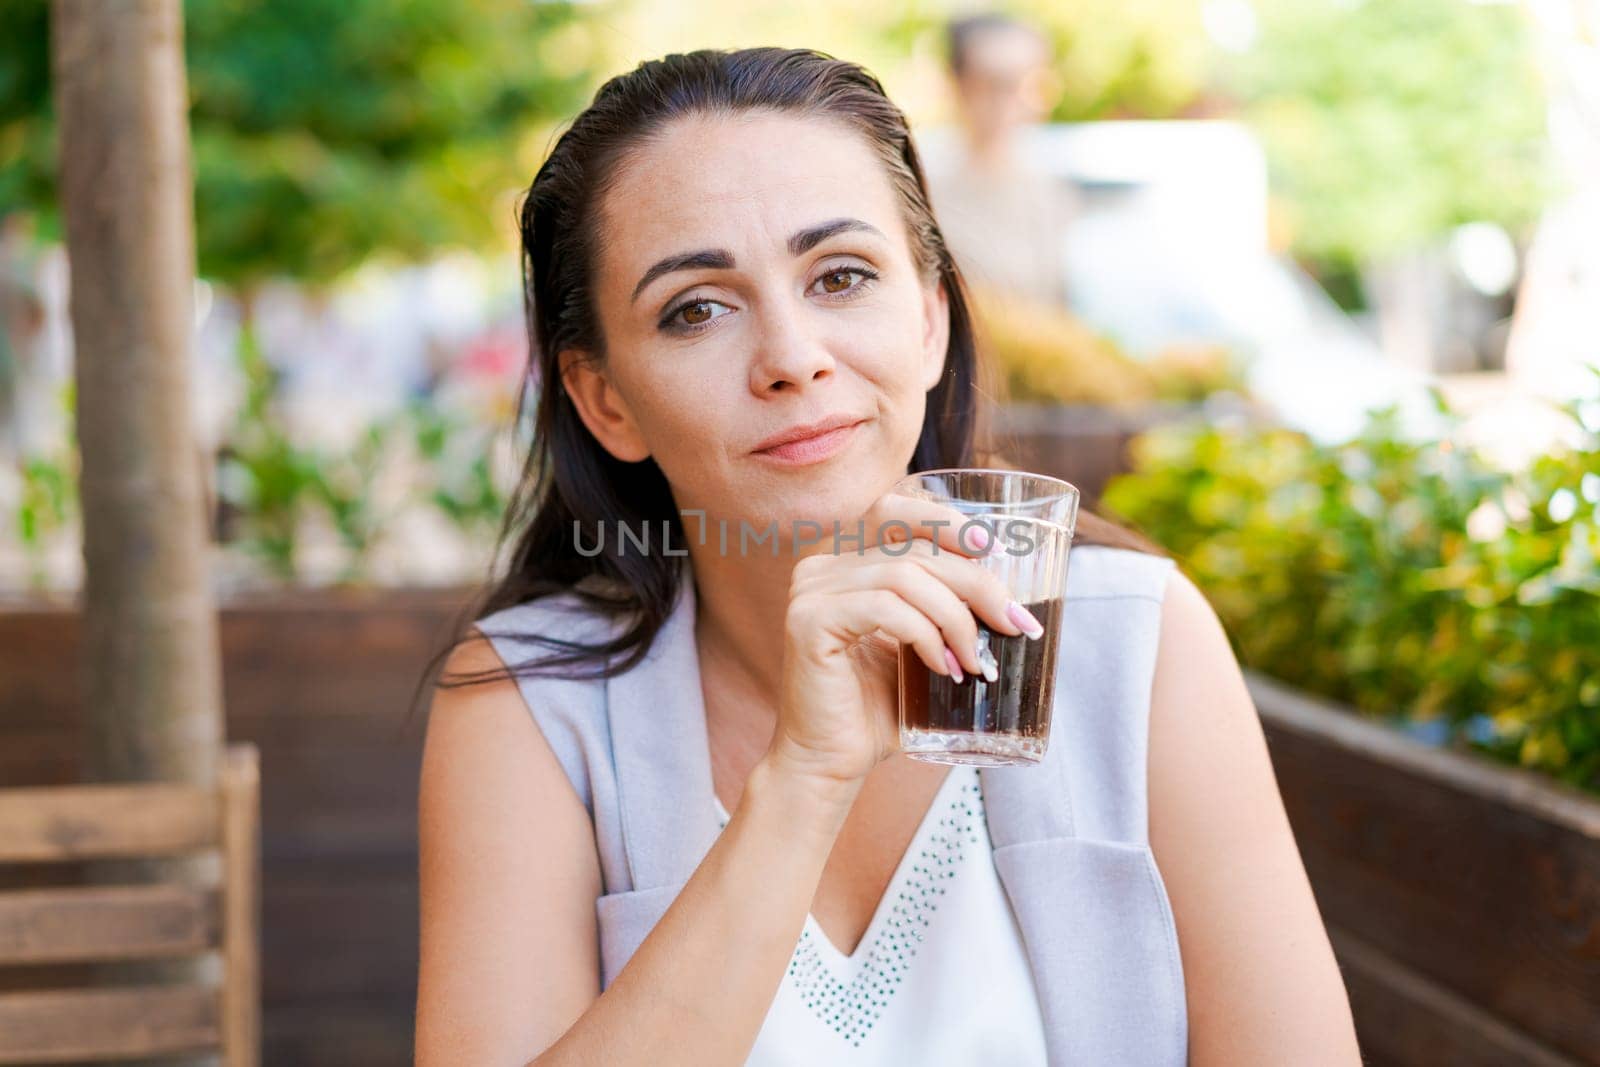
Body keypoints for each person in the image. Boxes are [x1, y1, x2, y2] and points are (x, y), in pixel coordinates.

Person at [413, 47, 1360, 1066]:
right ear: (605, 399)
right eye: (696, 307)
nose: (791, 356)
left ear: (929, 319)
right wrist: (803, 780)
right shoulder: (527, 702)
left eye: (842, 275)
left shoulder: (1134, 643)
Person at [922, 14, 1078, 309]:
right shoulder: (919, 190)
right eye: (998, 84)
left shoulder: (1049, 191)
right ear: (958, 84)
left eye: (1031, 83)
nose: (1019, 101)